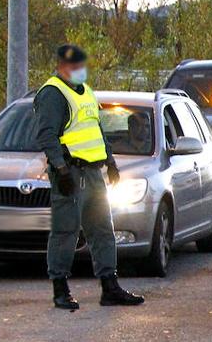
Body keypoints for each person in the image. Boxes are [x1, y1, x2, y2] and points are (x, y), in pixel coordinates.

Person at [33, 44, 145, 310]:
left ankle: (110, 287)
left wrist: (111, 161)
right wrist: (61, 170)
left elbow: (96, 130)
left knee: (103, 230)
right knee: (65, 232)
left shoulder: (86, 92)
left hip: (93, 172)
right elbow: (46, 136)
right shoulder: (52, 93)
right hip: (71, 172)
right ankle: (60, 289)